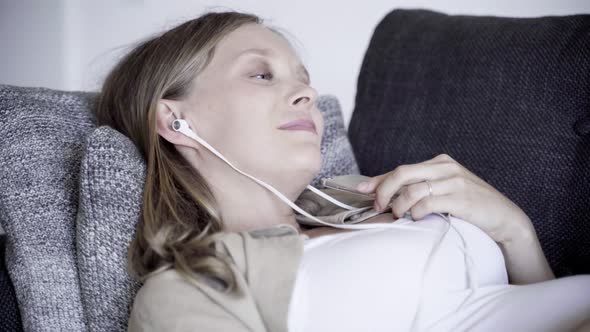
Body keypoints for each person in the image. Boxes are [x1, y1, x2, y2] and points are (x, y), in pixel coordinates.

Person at [94, 10, 590, 332]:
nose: (307, 94)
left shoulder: (370, 195)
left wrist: (513, 232)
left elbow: (523, 308)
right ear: (176, 119)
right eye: (261, 74)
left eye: (303, 80)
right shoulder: (195, 288)